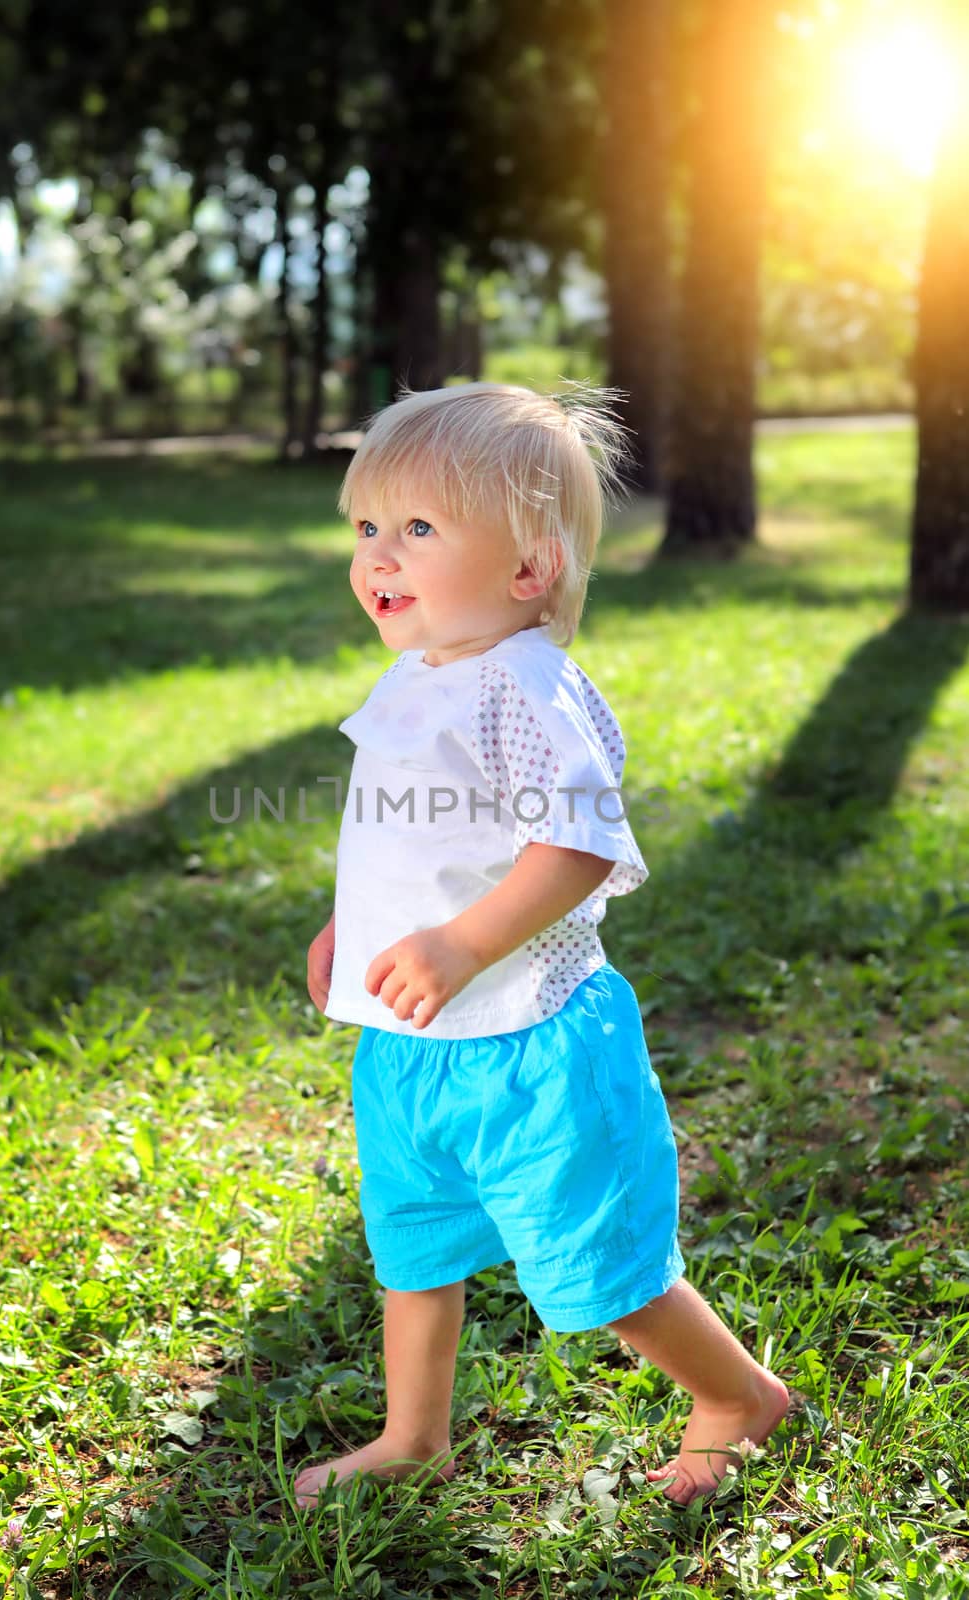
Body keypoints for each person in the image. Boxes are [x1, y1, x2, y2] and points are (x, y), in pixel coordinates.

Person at [297, 382, 789, 1511]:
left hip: (527, 1043)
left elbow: (569, 848)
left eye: (419, 528)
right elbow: (409, 836)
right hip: (412, 1046)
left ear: (528, 569)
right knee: (413, 1250)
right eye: (366, 526)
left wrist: (463, 944)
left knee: (600, 1262)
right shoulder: (420, 670)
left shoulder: (526, 689)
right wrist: (353, 925)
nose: (379, 553)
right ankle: (412, 1435)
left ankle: (734, 1395)